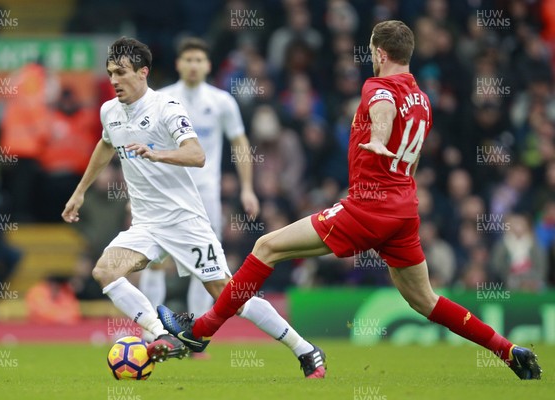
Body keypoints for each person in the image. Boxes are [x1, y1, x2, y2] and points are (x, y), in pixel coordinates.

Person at [158, 20, 542, 380]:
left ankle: (202, 331)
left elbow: (383, 111)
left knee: (266, 246)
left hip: (369, 208)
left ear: (379, 52)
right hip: (404, 210)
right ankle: (508, 351)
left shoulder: (377, 88)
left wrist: (378, 134)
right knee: (425, 300)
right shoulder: (423, 99)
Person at [62, 37, 326, 378]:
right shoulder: (109, 111)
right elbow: (105, 143)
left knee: (231, 298)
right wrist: (80, 191)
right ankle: (159, 335)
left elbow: (196, 155)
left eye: (121, 72)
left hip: (185, 222)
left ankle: (305, 350)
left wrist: (158, 153)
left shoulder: (166, 108)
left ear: (142, 73)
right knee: (105, 271)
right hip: (146, 224)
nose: (114, 80)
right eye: (111, 72)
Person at [139, 37, 259, 330]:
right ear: (179, 64)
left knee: (205, 265)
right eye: (188, 59)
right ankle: (148, 331)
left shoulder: (221, 101)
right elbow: (144, 146)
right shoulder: (159, 99)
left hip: (205, 194)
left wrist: (247, 188)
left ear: (207, 65)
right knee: (154, 258)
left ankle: (197, 331)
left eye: (198, 60)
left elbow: (240, 143)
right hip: (166, 191)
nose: (193, 65)